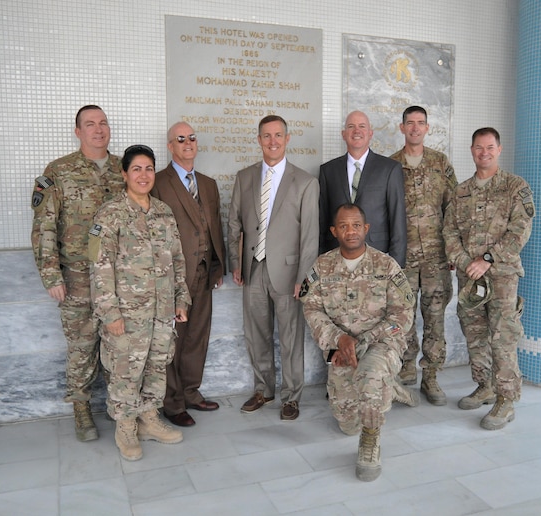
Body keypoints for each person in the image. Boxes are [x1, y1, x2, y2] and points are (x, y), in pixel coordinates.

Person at [89, 144, 191, 461]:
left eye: (148, 169)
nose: (143, 175)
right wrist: (110, 314)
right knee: (125, 371)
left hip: (161, 311)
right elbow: (98, 265)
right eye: (136, 169)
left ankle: (148, 419)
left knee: (156, 365)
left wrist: (180, 298)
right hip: (126, 313)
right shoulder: (108, 215)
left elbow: (177, 259)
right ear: (124, 173)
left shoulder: (163, 212)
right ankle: (126, 427)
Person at [31, 105, 125, 442]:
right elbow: (44, 227)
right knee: (82, 347)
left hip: (119, 280)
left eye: (103, 123)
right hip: (77, 278)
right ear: (78, 131)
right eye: (90, 124)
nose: (98, 130)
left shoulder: (123, 170)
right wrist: (51, 275)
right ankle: (82, 409)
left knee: (119, 346)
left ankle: (122, 409)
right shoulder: (58, 171)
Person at [301, 203, 415, 481]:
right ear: (334, 231)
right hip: (339, 346)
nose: (350, 231)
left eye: (355, 225)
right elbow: (311, 308)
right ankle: (388, 387)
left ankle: (370, 441)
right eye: (343, 226)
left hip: (381, 343)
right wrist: (338, 340)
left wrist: (363, 340)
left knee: (371, 377)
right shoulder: (322, 266)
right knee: (347, 423)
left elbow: (403, 313)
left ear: (365, 229)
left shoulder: (386, 265)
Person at [227, 114, 320, 421]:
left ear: (287, 138)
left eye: (278, 135)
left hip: (289, 273)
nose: (273, 141)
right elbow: (234, 223)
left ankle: (291, 397)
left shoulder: (305, 182)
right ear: (259, 140)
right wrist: (235, 263)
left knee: (291, 337)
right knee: (256, 334)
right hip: (253, 268)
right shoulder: (245, 177)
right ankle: (263, 389)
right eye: (266, 136)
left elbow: (309, 237)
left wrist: (303, 279)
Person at [443, 127, 534, 430]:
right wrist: (466, 262)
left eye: (490, 147)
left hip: (502, 276)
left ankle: (506, 400)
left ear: (499, 149)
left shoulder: (514, 187)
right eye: (479, 148)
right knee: (475, 334)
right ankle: (485, 386)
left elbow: (520, 230)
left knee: (502, 336)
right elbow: (449, 232)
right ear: (472, 150)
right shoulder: (460, 191)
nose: (484, 152)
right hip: (469, 277)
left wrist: (487, 259)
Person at [151, 122, 226, 427]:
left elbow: (215, 226)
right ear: (170, 146)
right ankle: (172, 402)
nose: (187, 143)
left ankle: (191, 392)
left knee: (197, 336)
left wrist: (219, 264)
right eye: (180, 139)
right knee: (173, 340)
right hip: (173, 276)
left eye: (192, 138)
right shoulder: (157, 182)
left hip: (204, 273)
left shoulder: (208, 184)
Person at [389, 106, 457, 404]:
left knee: (434, 319)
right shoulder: (390, 165)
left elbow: (453, 210)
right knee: (401, 316)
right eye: (410, 123)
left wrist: (455, 249)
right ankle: (406, 367)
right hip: (402, 259)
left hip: (436, 259)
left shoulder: (440, 163)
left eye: (420, 123)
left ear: (427, 128)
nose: (415, 128)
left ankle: (431, 375)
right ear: (401, 128)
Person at [319, 110, 407, 267]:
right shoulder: (328, 170)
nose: (357, 131)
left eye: (362, 126)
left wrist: (397, 266)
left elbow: (397, 220)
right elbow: (322, 221)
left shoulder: (389, 169)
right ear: (343, 134)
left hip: (378, 256)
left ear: (370, 133)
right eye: (351, 126)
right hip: (337, 257)